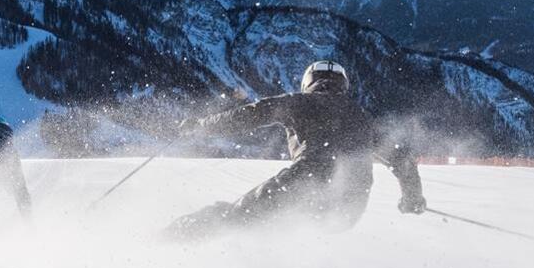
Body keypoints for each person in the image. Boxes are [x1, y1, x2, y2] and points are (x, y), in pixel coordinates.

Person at [166, 60, 425, 238]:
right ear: (343, 85)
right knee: (280, 226)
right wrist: (412, 197)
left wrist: (200, 126)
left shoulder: (298, 103)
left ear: (308, 82)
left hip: (306, 183)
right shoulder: (363, 117)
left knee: (234, 217)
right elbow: (401, 159)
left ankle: (169, 240)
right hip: (350, 207)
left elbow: (247, 116)